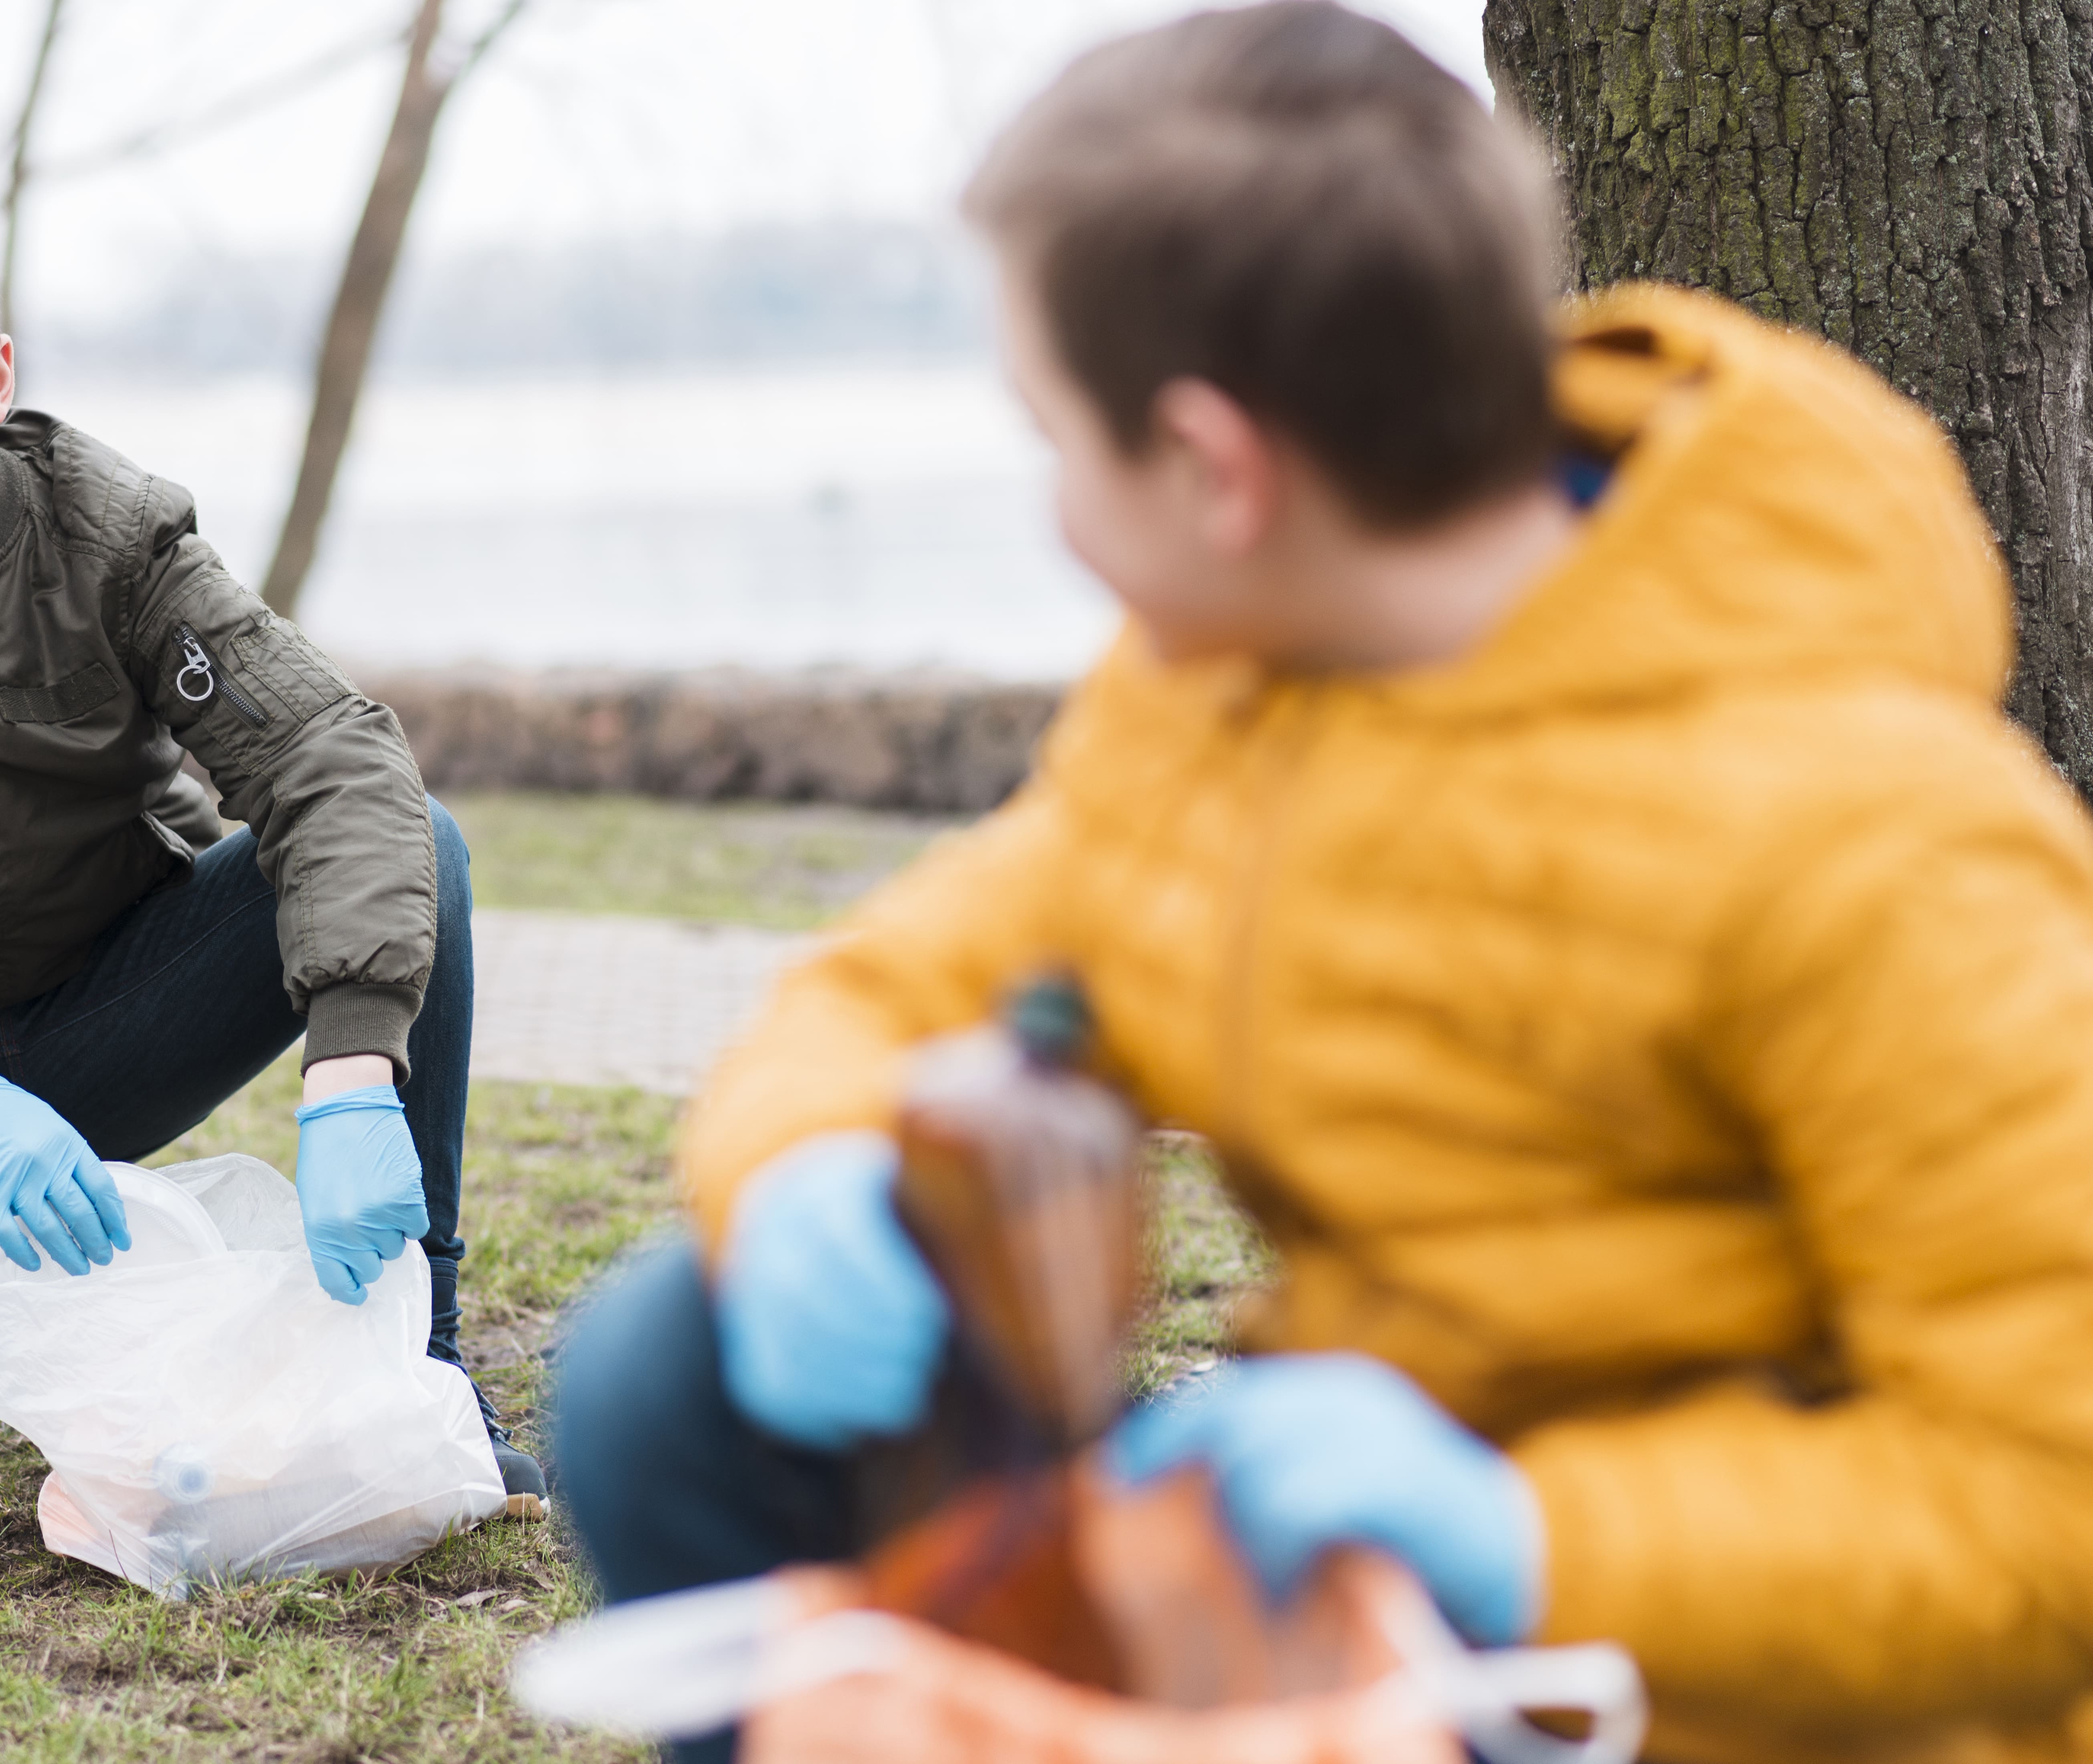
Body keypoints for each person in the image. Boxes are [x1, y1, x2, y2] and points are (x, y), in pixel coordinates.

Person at [553, 6, 2093, 1759]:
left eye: (1053, 434)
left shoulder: (1882, 846)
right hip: (1342, 1561)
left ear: (1215, 469)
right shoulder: (1220, 691)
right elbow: (911, 974)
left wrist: (1531, 1536)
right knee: (670, 1367)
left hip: (1690, 1675)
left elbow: (2052, 1500)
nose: (1054, 508)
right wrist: (809, 1153)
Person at [0, 178, 543, 1513]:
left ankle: (415, 1350)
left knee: (417, 832)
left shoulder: (111, 535)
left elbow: (325, 756)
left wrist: (352, 1064)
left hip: (118, 1005)